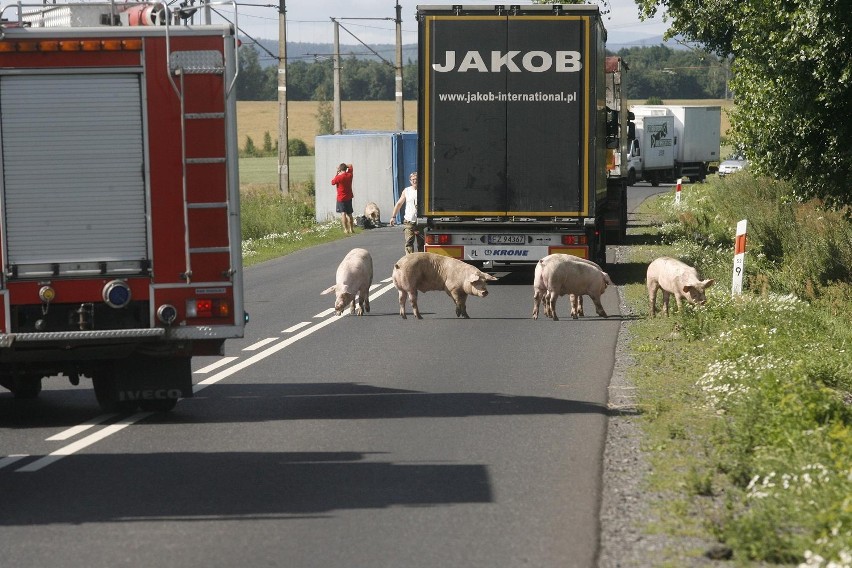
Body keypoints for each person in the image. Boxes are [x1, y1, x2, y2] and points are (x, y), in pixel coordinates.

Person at [390, 171, 423, 254]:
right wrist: (393, 216)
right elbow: (399, 203)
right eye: (413, 179)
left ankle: (422, 261)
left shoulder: (424, 190)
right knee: (409, 243)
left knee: (422, 244)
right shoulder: (406, 190)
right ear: (410, 181)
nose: (414, 181)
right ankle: (409, 261)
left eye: (416, 179)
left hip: (421, 221)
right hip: (409, 221)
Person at [331, 162, 354, 234]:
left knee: (343, 213)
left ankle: (346, 229)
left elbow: (332, 182)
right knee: (350, 214)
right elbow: (351, 166)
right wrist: (345, 166)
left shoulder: (339, 177)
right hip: (349, 197)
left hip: (341, 198)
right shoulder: (350, 175)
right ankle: (351, 229)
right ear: (346, 169)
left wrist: (337, 172)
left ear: (340, 169)